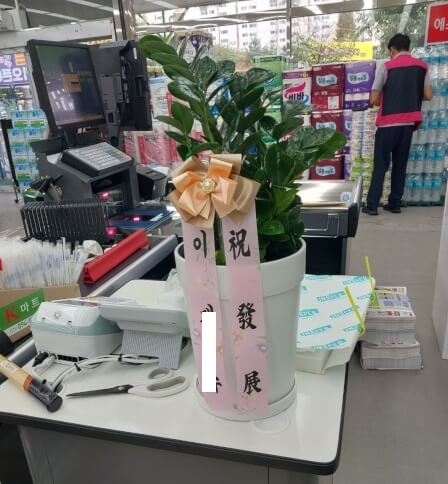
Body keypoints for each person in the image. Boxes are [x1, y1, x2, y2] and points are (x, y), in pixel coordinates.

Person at [363, 33, 433, 215]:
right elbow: (428, 95)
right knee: (400, 164)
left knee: (381, 165)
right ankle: (394, 204)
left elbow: (373, 98)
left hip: (387, 124)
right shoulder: (423, 67)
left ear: (392, 49)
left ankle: (372, 206)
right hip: (408, 123)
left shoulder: (386, 67)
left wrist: (387, 98)